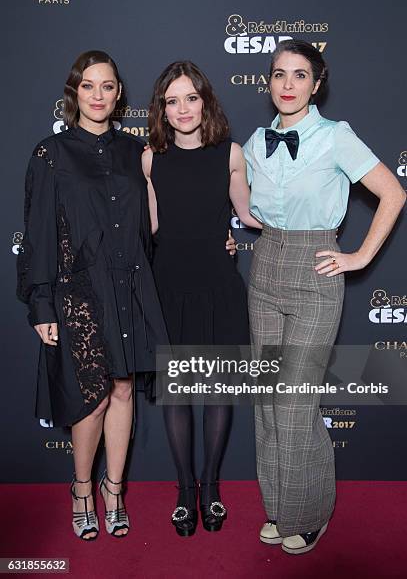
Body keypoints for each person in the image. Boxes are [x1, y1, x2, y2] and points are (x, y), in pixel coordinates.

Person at [243, 39, 405, 554]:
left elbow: (393, 193)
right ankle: (282, 507)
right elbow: (244, 203)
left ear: (316, 83)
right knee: (268, 400)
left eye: (299, 75)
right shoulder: (256, 140)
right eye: (278, 74)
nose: (287, 85)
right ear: (268, 82)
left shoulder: (336, 137)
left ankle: (310, 512)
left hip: (316, 270)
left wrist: (358, 256)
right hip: (265, 264)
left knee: (295, 402)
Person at [17, 50, 170, 540]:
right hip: (78, 288)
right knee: (92, 398)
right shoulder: (51, 154)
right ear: (74, 92)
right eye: (88, 86)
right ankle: (82, 487)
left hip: (130, 283)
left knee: (124, 388)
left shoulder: (135, 151)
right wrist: (41, 301)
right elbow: (37, 233)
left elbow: (157, 220)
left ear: (118, 93)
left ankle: (114, 489)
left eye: (107, 86)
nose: (98, 95)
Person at [142, 60, 261, 537]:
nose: (183, 108)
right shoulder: (150, 158)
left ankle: (210, 487)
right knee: (176, 398)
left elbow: (249, 214)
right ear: (162, 110)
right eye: (172, 101)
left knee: (215, 394)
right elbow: (148, 227)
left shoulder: (230, 153)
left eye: (191, 97)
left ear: (205, 101)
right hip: (168, 285)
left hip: (217, 286)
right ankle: (184, 490)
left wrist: (312, 214)